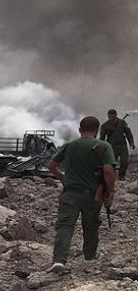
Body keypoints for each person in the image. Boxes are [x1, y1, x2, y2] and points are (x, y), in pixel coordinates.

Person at [47, 116, 117, 274]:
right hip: (93, 195)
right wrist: (111, 191)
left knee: (65, 226)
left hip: (70, 193)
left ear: (80, 130)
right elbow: (108, 170)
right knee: (91, 225)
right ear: (97, 130)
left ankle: (59, 261)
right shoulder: (103, 146)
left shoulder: (70, 145)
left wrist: (63, 178)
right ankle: (90, 257)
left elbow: (51, 165)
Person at [100, 109, 135, 180]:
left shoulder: (122, 122)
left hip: (122, 145)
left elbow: (128, 133)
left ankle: (121, 175)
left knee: (125, 161)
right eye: (109, 117)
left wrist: (131, 143)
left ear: (116, 115)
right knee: (112, 163)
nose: (111, 119)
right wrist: (102, 148)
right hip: (112, 146)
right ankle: (112, 177)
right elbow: (102, 138)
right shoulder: (105, 125)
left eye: (113, 117)